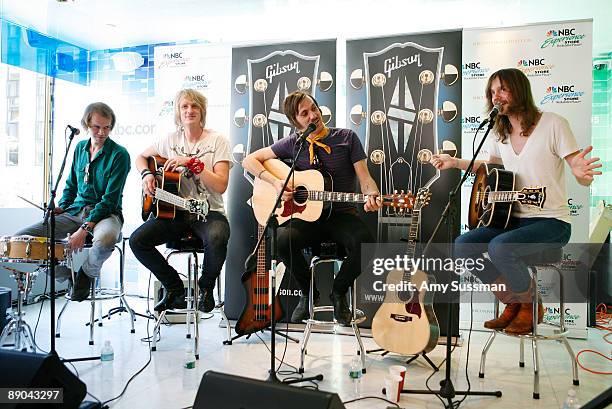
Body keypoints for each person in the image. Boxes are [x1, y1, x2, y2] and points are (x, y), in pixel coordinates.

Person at [431, 68, 602, 334]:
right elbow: (489, 169)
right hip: (513, 221)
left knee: (500, 247)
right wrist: (455, 162)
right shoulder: (500, 132)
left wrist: (582, 174)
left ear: (519, 90)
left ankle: (530, 305)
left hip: (552, 222)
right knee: (463, 246)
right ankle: (512, 301)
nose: (496, 96)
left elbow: (578, 169)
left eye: (503, 89)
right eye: (492, 91)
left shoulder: (554, 124)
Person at [243, 91, 382, 325]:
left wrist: (372, 194)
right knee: (280, 241)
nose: (312, 116)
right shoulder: (293, 144)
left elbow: (365, 179)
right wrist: (276, 182)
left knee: (365, 243)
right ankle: (308, 293)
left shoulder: (347, 138)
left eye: (314, 109)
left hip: (341, 215)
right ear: (295, 121)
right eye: (304, 114)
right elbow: (249, 160)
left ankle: (339, 293)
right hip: (308, 218)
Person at [15, 102, 130, 301]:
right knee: (23, 240)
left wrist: (83, 229)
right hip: (76, 210)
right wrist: (62, 206)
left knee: (107, 238)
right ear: (87, 124)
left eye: (107, 127)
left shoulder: (120, 154)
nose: (102, 132)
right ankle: (69, 278)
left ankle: (86, 275)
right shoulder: (79, 148)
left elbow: (110, 200)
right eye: (97, 127)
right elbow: (71, 185)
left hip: (106, 214)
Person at [130, 89, 231, 313]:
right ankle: (174, 288)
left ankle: (205, 289)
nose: (189, 110)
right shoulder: (169, 139)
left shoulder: (218, 141)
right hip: (174, 213)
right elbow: (140, 158)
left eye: (194, 106)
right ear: (178, 111)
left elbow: (221, 185)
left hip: (208, 211)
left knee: (217, 235)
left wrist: (192, 163)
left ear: (202, 110)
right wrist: (147, 175)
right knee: (137, 241)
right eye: (184, 106)